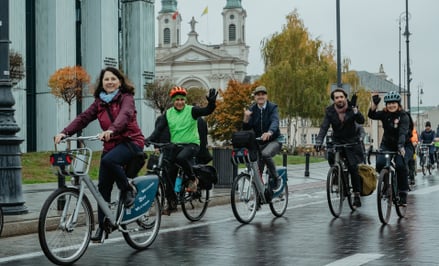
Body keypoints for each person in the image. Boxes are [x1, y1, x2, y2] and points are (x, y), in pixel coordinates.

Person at [54, 67, 145, 242]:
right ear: (101, 83)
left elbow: (125, 115)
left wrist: (112, 129)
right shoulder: (99, 102)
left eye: (113, 79)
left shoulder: (126, 98)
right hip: (111, 144)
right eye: (106, 80)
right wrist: (65, 132)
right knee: (103, 187)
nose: (109, 82)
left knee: (109, 161)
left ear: (120, 81)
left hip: (131, 142)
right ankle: (104, 227)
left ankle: (127, 190)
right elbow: (84, 118)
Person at [146, 86, 217, 214]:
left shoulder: (192, 111)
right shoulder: (168, 113)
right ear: (173, 100)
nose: (179, 102)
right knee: (168, 174)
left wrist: (211, 103)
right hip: (175, 146)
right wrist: (149, 139)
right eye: (177, 99)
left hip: (191, 144)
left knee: (181, 158)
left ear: (185, 100)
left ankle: (193, 178)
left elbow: (207, 110)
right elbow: (158, 130)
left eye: (182, 99)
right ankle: (172, 204)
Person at [314, 88, 365, 207]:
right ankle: (338, 176)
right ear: (334, 100)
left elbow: (361, 120)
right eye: (336, 98)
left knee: (353, 168)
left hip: (351, 141)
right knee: (331, 157)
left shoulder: (351, 108)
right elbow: (324, 127)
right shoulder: (330, 111)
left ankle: (356, 194)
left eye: (341, 97)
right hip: (337, 140)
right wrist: (319, 140)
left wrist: (356, 111)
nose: (339, 99)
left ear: (345, 97)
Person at [368, 91, 413, 206]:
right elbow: (371, 115)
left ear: (398, 104)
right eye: (388, 103)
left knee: (400, 165)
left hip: (404, 145)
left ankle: (402, 193)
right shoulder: (384, 114)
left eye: (393, 103)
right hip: (387, 144)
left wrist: (400, 146)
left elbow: (403, 132)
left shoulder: (404, 116)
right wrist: (374, 104)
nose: (391, 105)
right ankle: (386, 184)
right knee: (380, 163)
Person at [242, 86, 282, 193]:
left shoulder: (272, 107)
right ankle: (258, 200)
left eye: (262, 94)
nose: (260, 96)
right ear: (255, 97)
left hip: (274, 140)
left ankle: (276, 177)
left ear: (266, 96)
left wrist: (270, 132)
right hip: (259, 143)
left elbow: (275, 121)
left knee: (265, 154)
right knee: (256, 170)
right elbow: (246, 128)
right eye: (258, 94)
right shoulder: (252, 109)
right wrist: (246, 118)